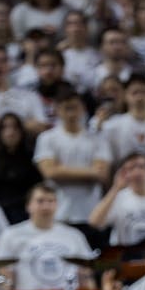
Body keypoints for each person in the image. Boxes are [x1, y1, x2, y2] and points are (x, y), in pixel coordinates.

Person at [0, 183, 96, 290]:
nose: (46, 206)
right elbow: (4, 275)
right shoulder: (11, 235)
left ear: (57, 205)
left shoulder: (74, 235)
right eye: (40, 201)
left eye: (51, 201)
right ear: (28, 205)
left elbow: (86, 274)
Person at [33, 87, 112, 228]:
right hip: (60, 213)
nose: (71, 114)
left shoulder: (97, 139)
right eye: (66, 108)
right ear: (57, 110)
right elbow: (50, 172)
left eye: (74, 108)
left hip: (90, 212)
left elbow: (102, 174)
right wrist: (90, 172)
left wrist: (62, 170)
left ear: (83, 109)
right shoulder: (47, 138)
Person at [99, 74, 145, 191]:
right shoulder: (112, 127)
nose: (139, 97)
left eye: (143, 92)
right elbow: (108, 166)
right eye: (134, 93)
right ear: (125, 96)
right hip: (124, 192)